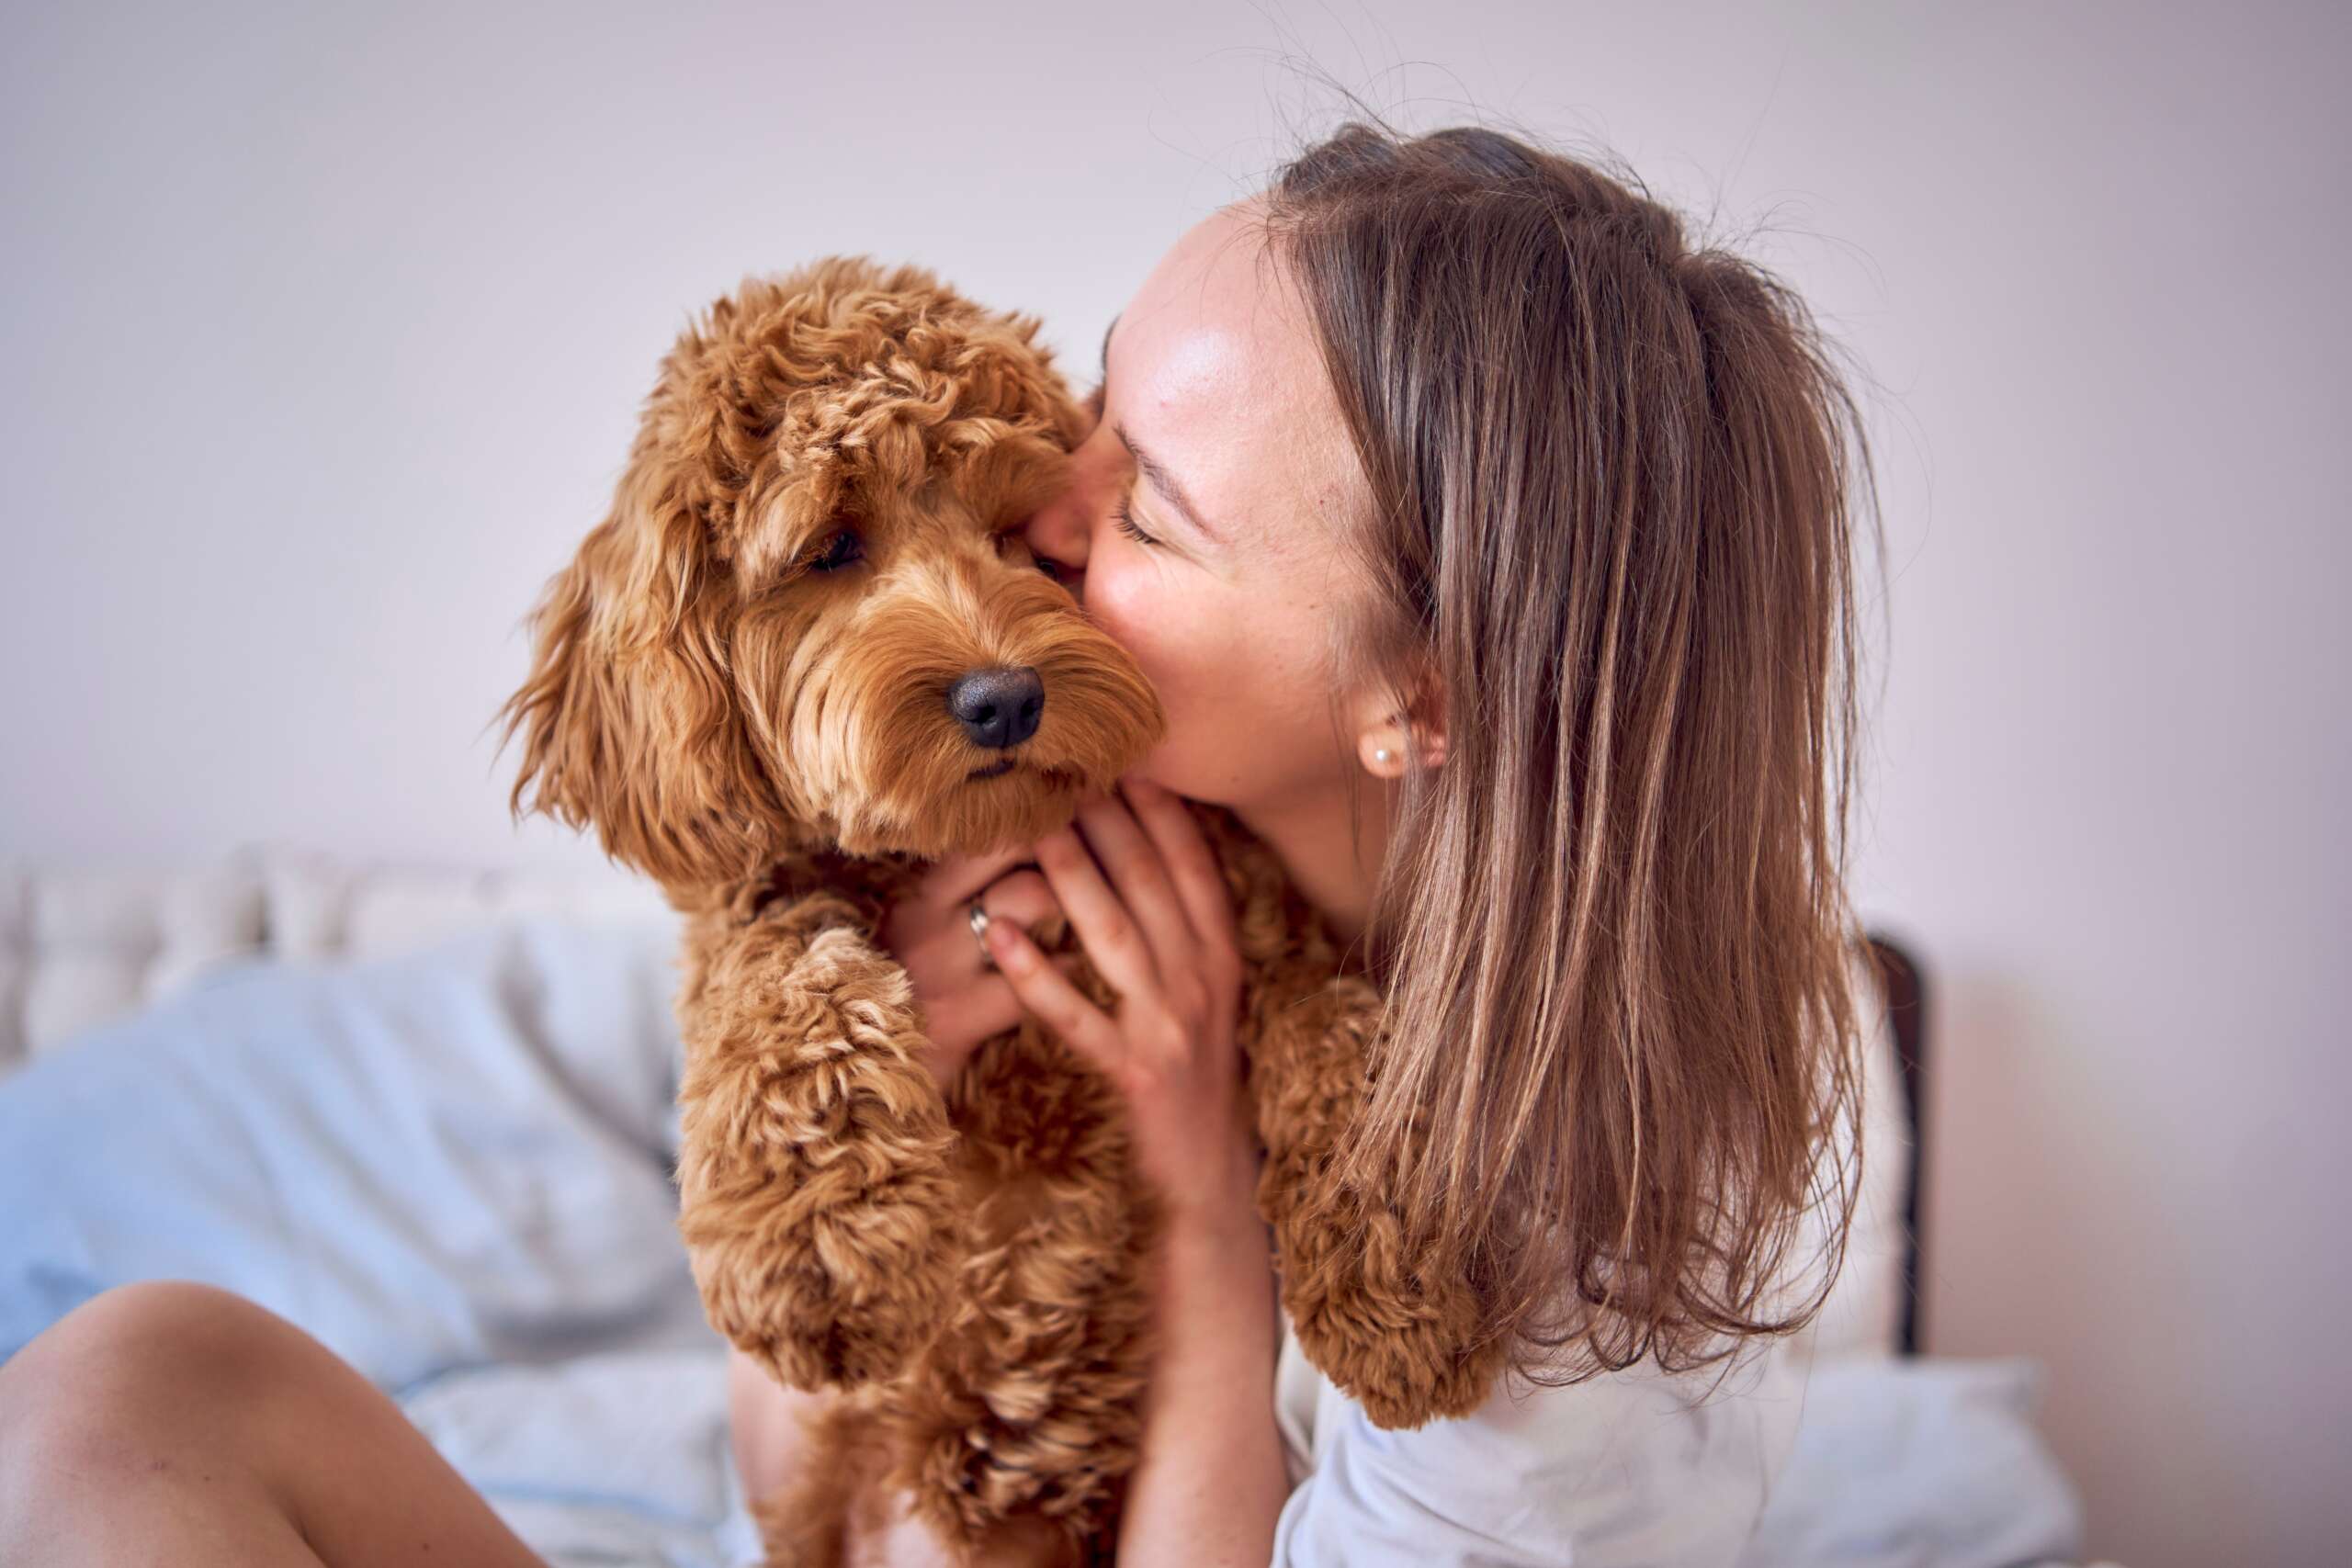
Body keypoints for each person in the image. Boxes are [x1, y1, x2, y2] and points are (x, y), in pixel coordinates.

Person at [0, 118, 1879, 1568]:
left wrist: (1206, 1207)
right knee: (122, 1384)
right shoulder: (1057, 844)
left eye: (1151, 508)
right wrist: (898, 1082)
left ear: (1420, 693)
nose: (1043, 507)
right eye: (1097, 402)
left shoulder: (1584, 1296)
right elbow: (787, 1460)